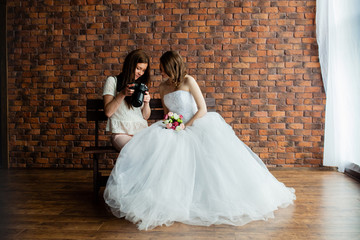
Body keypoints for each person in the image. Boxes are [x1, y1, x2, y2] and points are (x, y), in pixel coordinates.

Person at [104, 51, 296, 230]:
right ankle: (164, 196)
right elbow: (166, 113)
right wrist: (172, 123)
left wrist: (185, 126)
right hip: (175, 127)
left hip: (195, 125)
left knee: (209, 159)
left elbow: (202, 109)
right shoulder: (162, 87)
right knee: (166, 150)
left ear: (171, 66)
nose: (159, 71)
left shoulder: (189, 81)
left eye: (161, 67)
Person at [103, 49, 151, 151]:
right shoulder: (113, 81)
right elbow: (108, 112)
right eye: (138, 68)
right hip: (121, 134)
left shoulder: (140, 86)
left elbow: (145, 116)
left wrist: (146, 103)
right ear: (130, 65)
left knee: (154, 150)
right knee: (135, 151)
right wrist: (122, 94)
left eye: (143, 70)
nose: (141, 73)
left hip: (140, 132)